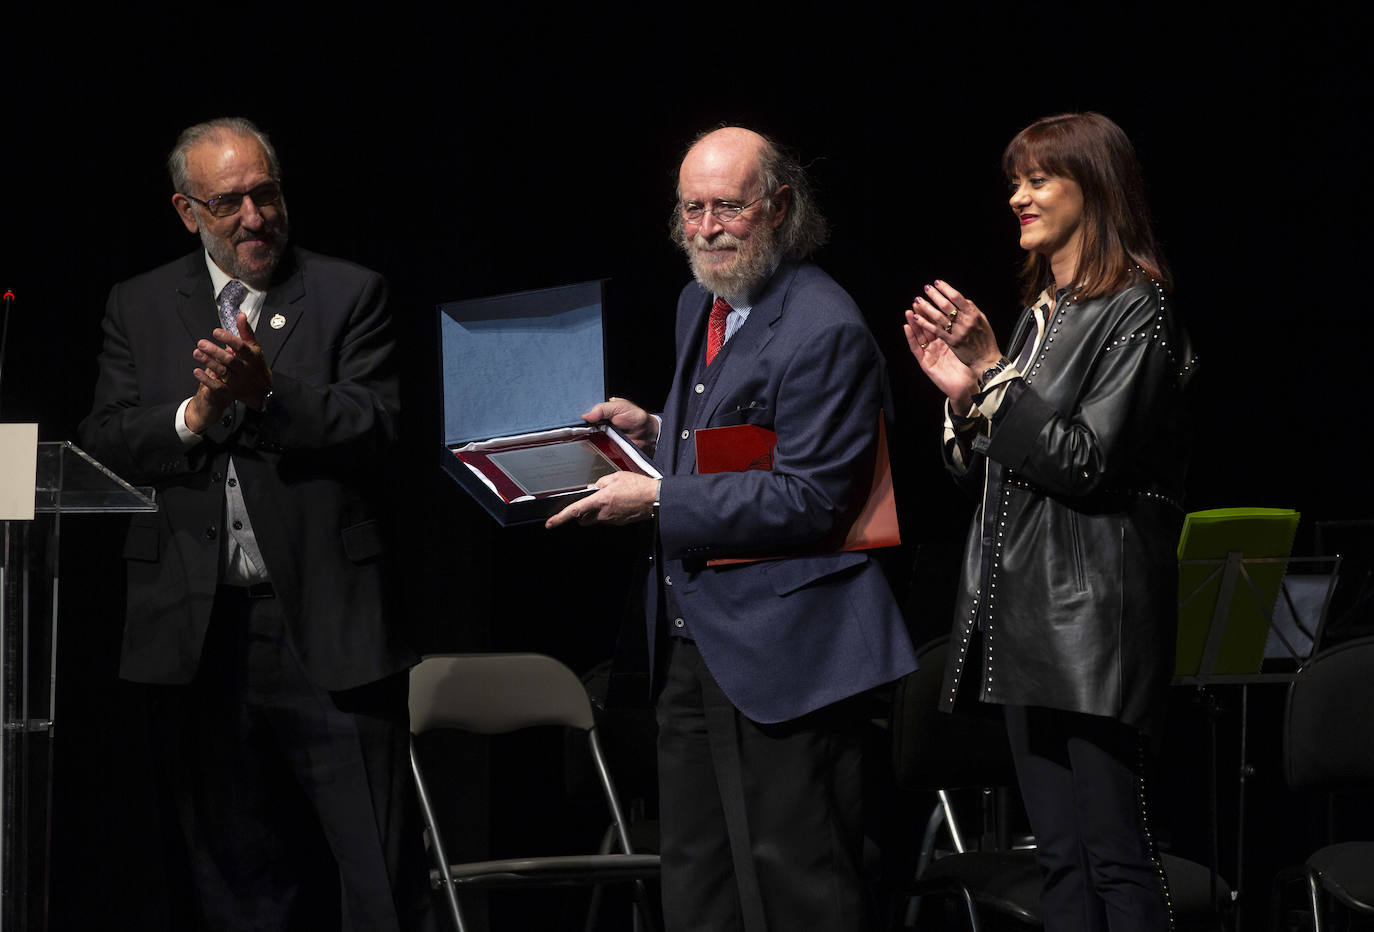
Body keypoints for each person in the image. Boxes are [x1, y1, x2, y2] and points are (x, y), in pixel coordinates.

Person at [546, 126, 917, 931]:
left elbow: (810, 497)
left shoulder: (826, 329)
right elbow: (740, 436)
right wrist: (656, 431)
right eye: (692, 209)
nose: (707, 228)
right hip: (697, 643)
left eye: (727, 208)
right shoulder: (701, 304)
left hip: (795, 656)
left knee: (801, 893)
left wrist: (656, 501)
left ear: (779, 208)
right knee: (699, 889)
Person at [78, 117, 426, 931]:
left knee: (378, 879)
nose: (254, 219)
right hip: (198, 642)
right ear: (186, 210)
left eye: (264, 194)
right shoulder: (138, 304)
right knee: (236, 889)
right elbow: (103, 440)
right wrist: (195, 416)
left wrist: (270, 394)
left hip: (327, 632)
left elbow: (376, 426)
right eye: (227, 202)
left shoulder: (350, 293)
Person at [903, 112, 1195, 931]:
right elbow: (983, 472)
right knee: (1059, 858)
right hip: (1026, 617)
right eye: (1015, 181)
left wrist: (993, 370)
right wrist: (965, 396)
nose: (1017, 197)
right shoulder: (1041, 313)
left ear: (1092, 188)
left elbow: (1085, 462)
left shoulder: (1138, 307)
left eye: (1038, 180)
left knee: (1113, 854)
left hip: (1094, 621)